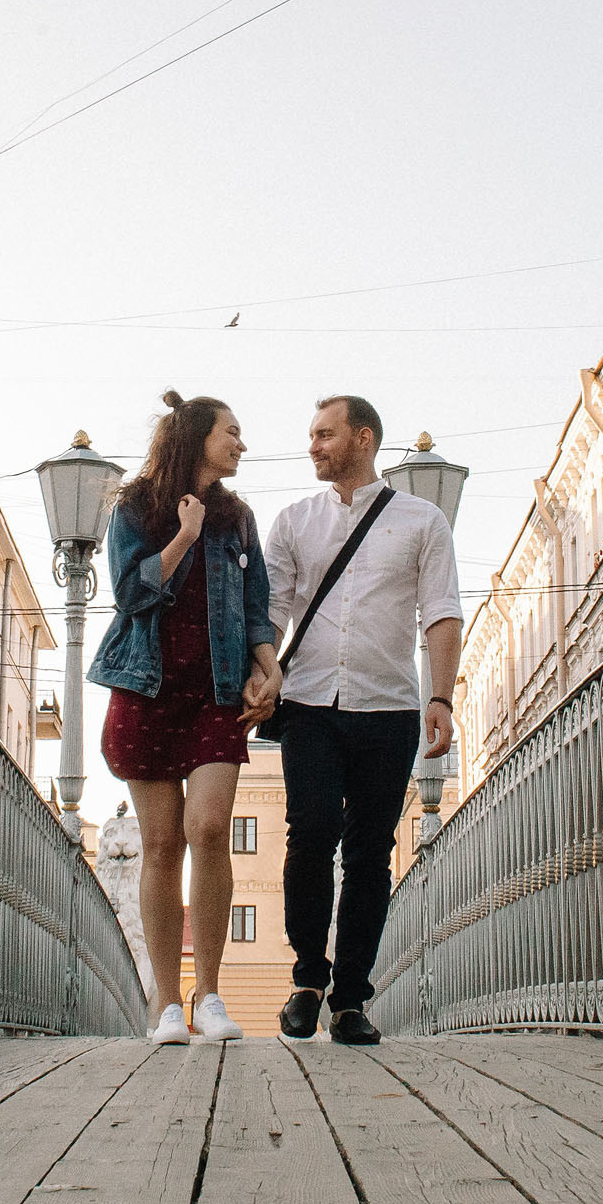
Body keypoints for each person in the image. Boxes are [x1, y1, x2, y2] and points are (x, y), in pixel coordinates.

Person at [264, 394, 460, 1045]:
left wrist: (442, 698)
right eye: (311, 434)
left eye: (325, 434)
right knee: (311, 831)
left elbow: (441, 614)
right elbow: (271, 612)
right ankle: (306, 980)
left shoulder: (422, 521)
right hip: (309, 702)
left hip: (391, 705)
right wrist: (257, 674)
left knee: (371, 855)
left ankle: (350, 1000)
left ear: (364, 439)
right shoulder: (294, 522)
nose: (314, 445)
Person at [87, 391, 281, 1044]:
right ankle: (167, 1005)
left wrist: (268, 665)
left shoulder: (239, 518)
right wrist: (184, 534)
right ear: (198, 435)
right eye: (233, 431)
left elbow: (256, 610)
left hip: (218, 692)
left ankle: (212, 997)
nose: (242, 443)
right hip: (146, 688)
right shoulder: (136, 506)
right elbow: (129, 592)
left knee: (210, 827)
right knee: (163, 844)